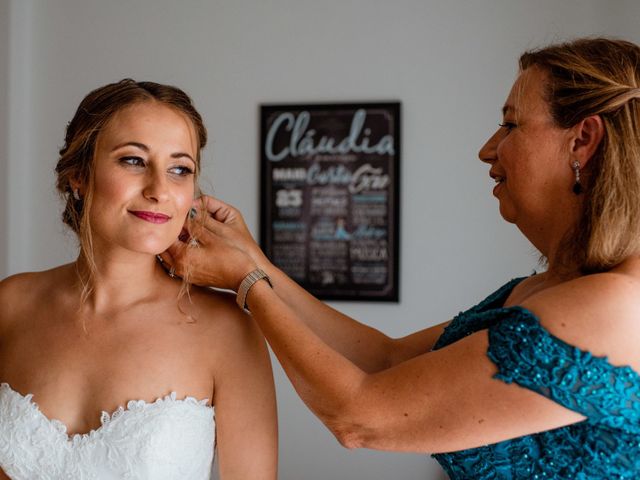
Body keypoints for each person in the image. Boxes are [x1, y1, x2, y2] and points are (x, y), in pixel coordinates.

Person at [163, 37, 640, 479]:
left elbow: (358, 416)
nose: (487, 150)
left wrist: (248, 284)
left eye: (511, 124)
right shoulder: (539, 290)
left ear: (582, 141)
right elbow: (384, 359)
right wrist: (256, 261)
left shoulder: (613, 308)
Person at [0, 80, 277, 479]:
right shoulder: (11, 304)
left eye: (180, 169)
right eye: (133, 160)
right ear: (79, 174)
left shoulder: (227, 330)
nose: (159, 189)